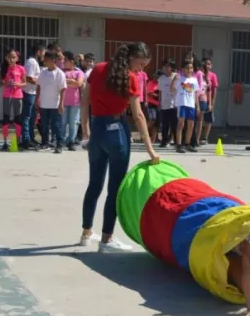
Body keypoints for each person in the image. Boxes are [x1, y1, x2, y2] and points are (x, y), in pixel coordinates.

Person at [80, 42, 160, 252]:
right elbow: (139, 115)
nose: (140, 70)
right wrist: (150, 149)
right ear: (132, 58)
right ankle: (107, 238)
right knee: (114, 188)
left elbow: (84, 99)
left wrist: (85, 132)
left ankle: (86, 233)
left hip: (97, 130)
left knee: (94, 184)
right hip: (117, 132)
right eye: (141, 64)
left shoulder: (97, 69)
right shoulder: (130, 78)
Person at [36, 51, 67, 153]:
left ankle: (59, 144)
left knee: (56, 125)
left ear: (53, 61)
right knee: (44, 125)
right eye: (44, 60)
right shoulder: (43, 72)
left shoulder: (60, 73)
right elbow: (39, 86)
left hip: (55, 104)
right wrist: (37, 99)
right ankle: (45, 143)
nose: (45, 62)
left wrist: (61, 104)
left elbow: (63, 89)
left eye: (47, 60)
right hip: (44, 104)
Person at [0, 48, 26, 151]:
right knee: (6, 118)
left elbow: (24, 83)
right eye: (9, 57)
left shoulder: (21, 68)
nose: (11, 59)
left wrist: (18, 84)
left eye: (13, 57)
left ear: (17, 58)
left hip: (18, 96)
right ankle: (5, 142)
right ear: (6, 58)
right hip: (7, 96)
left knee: (17, 118)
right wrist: (5, 83)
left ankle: (18, 141)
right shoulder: (4, 69)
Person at [61, 52, 85, 150]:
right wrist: (72, 81)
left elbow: (79, 83)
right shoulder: (62, 72)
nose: (64, 62)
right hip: (63, 101)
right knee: (63, 122)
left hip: (75, 102)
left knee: (73, 122)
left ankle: (71, 141)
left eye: (65, 60)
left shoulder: (79, 72)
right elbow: (61, 83)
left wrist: (68, 81)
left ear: (71, 61)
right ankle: (61, 140)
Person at [21, 45, 43, 150]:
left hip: (33, 93)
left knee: (32, 117)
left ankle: (30, 137)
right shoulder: (31, 62)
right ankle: (26, 139)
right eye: (43, 52)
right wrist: (40, 81)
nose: (44, 55)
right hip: (28, 92)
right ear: (38, 52)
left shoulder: (34, 62)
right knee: (27, 116)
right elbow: (28, 77)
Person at [175, 59, 200, 153]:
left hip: (191, 104)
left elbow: (194, 93)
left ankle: (187, 144)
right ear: (183, 69)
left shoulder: (194, 80)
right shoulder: (179, 78)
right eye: (187, 68)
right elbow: (173, 88)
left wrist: (197, 106)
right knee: (181, 124)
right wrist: (174, 80)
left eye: (191, 68)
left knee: (191, 125)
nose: (190, 70)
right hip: (182, 103)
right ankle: (179, 145)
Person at [157, 60, 178, 147]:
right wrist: (159, 103)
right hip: (164, 104)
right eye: (164, 66)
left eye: (167, 66)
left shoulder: (176, 77)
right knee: (164, 124)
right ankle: (164, 141)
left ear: (172, 67)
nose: (165, 68)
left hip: (174, 105)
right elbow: (161, 92)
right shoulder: (161, 79)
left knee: (174, 124)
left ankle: (176, 141)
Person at [198, 57, 218, 145]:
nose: (207, 65)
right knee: (199, 119)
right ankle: (197, 136)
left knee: (208, 120)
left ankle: (205, 137)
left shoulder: (213, 76)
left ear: (212, 65)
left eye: (209, 64)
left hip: (208, 100)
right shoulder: (199, 74)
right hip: (200, 100)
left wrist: (212, 103)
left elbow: (214, 90)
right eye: (206, 64)